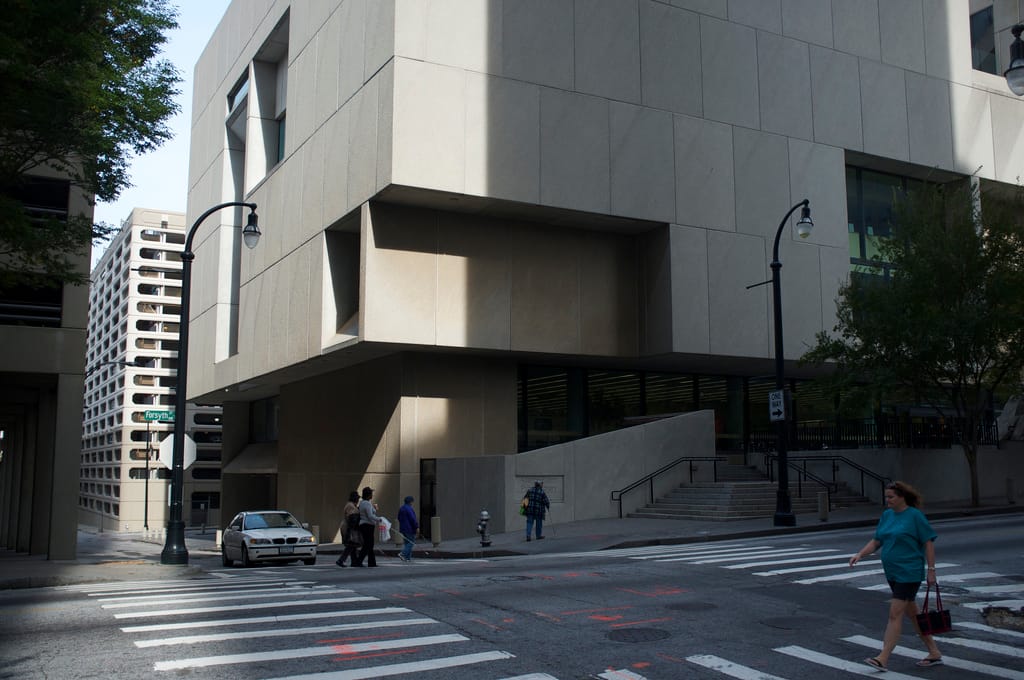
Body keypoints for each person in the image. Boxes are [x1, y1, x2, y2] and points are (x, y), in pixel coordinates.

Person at [849, 481, 942, 671]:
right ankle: (934, 652)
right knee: (914, 615)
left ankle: (883, 657)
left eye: (891, 497)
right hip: (892, 572)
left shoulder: (914, 516)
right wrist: (860, 554)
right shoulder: (887, 515)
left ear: (902, 497)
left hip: (909, 572)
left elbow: (928, 543)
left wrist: (931, 570)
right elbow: (877, 541)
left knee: (895, 614)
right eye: (886, 497)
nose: (887, 500)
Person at [353, 486, 380, 567]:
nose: (372, 495)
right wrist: (379, 519)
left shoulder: (363, 503)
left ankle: (371, 562)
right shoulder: (366, 503)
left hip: (365, 525)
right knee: (368, 545)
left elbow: (371, 512)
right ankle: (360, 561)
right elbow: (370, 516)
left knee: (369, 545)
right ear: (368, 495)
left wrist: (374, 508)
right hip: (367, 526)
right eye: (371, 493)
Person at [336, 491, 361, 567]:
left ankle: (354, 561)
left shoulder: (352, 505)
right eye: (357, 498)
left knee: (353, 545)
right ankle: (341, 560)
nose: (358, 499)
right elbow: (352, 518)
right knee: (351, 544)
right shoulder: (350, 506)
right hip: (348, 527)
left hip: (349, 527)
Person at [397, 496, 418, 562]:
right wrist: (416, 527)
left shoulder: (401, 508)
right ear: (411, 502)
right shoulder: (409, 509)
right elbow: (413, 519)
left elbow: (399, 518)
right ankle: (402, 554)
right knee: (411, 542)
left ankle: (407, 558)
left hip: (403, 528)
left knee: (407, 543)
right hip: (410, 528)